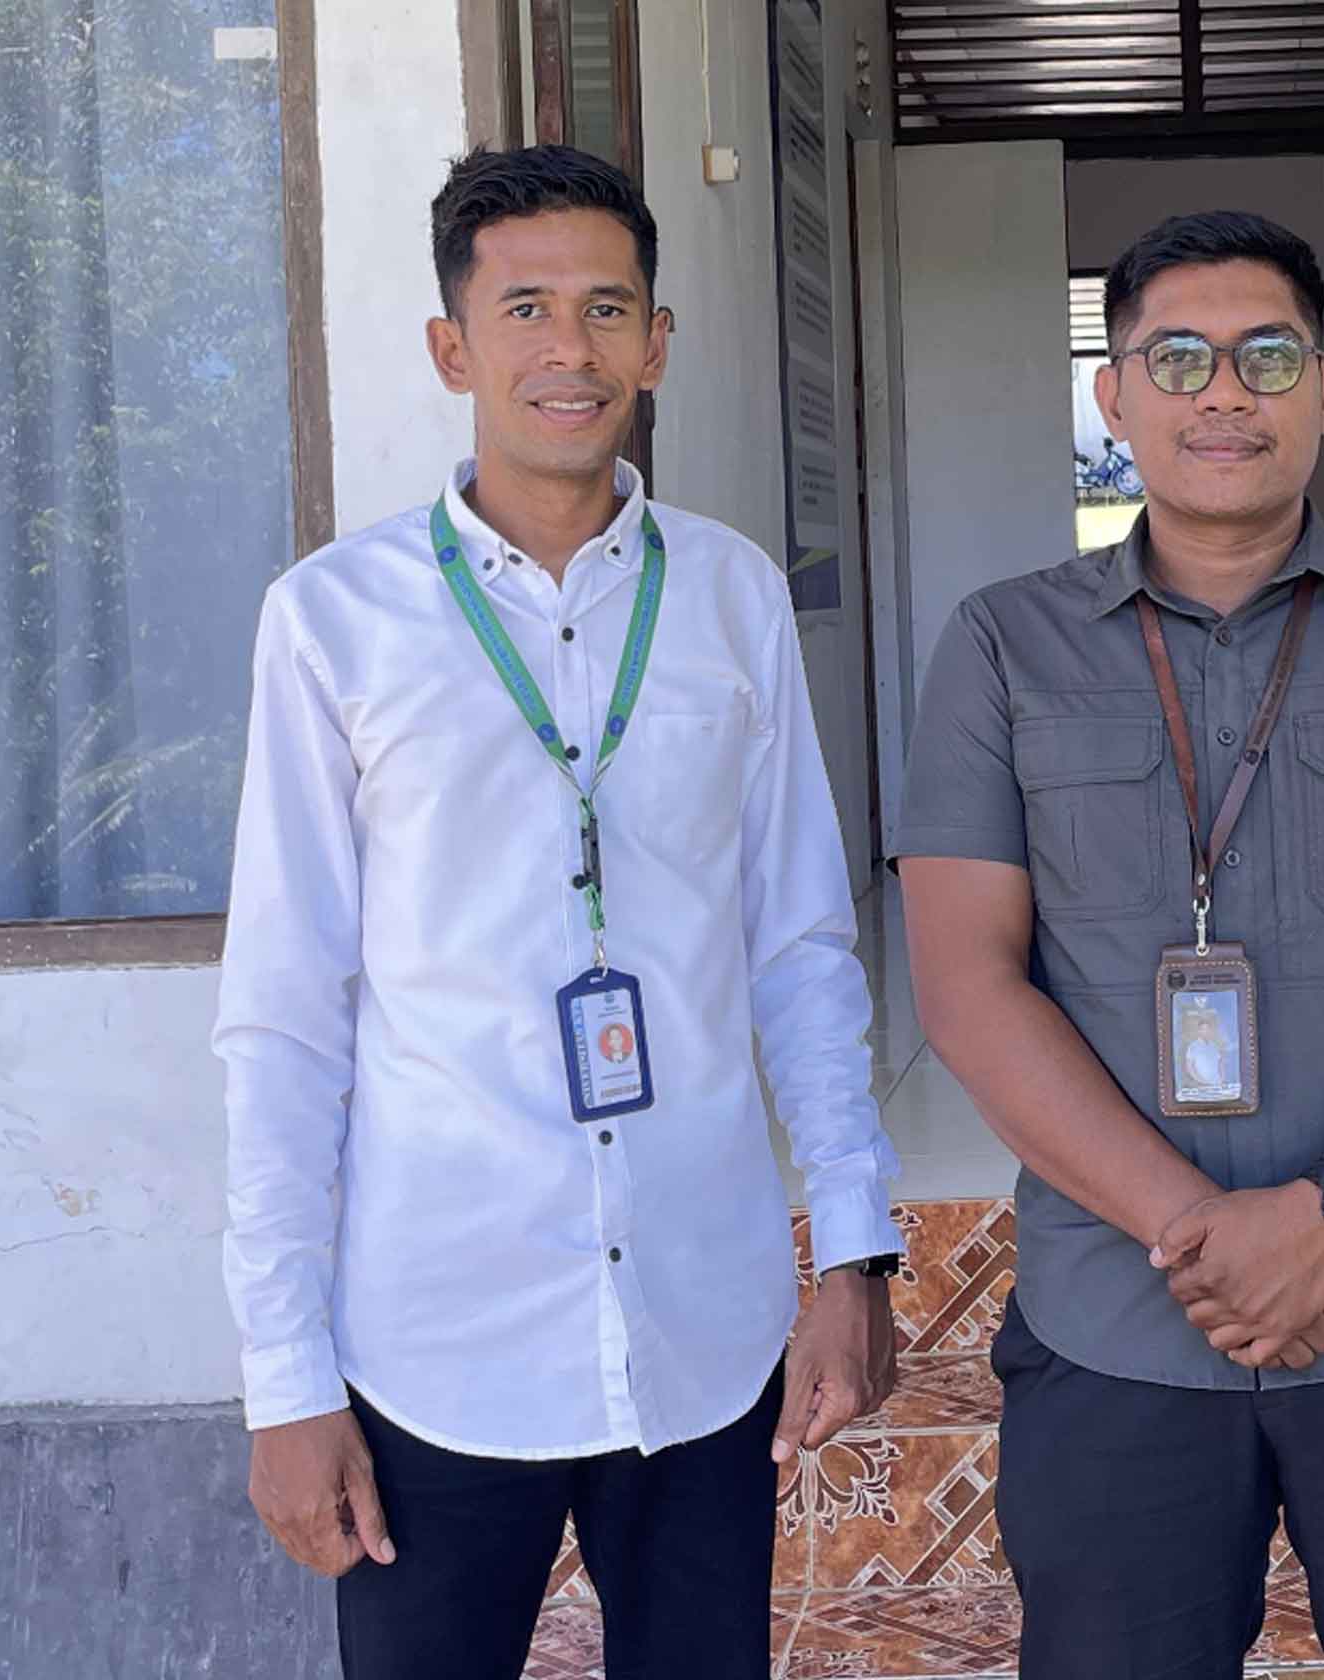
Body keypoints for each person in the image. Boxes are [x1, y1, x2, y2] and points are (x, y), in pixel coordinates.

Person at [214, 145, 904, 1680]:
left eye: (607, 309)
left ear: (657, 343)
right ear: (452, 348)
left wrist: (852, 1252)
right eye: (523, 309)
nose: (568, 349)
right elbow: (283, 1016)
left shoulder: (730, 598)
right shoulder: (332, 623)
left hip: (704, 1326)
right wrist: (286, 1376)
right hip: (438, 1346)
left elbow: (800, 946)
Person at [892, 210, 1324, 1677]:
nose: (1222, 393)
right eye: (1176, 358)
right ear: (1113, 394)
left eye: (1267, 356)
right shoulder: (1001, 648)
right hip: (1119, 1328)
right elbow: (964, 984)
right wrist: (1204, 1239)